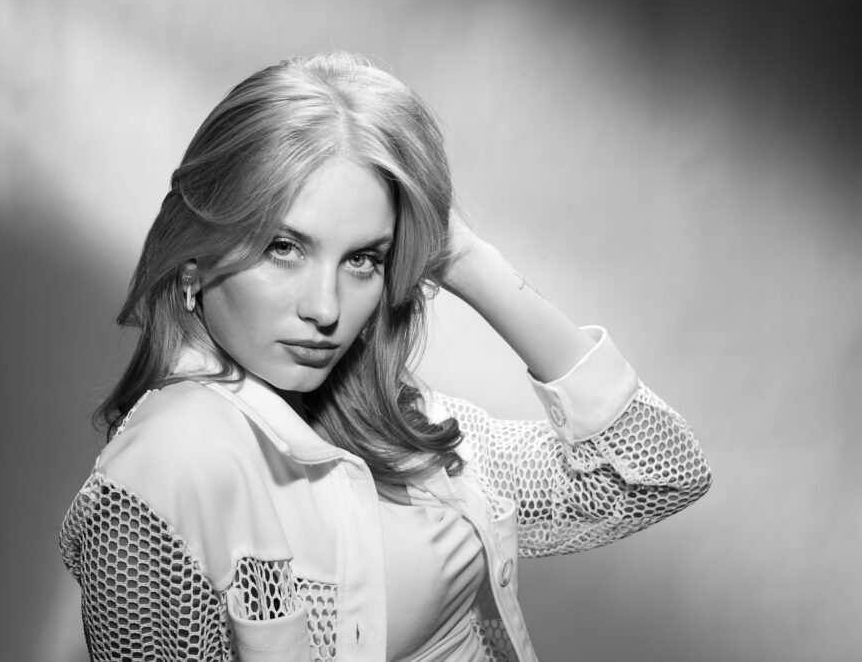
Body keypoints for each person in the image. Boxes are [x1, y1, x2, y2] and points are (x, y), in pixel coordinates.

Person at [59, 51, 712, 662]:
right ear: (193, 261)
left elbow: (655, 476)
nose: (326, 308)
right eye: (284, 248)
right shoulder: (166, 472)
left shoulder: (387, 419)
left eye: (363, 259)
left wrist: (467, 258)